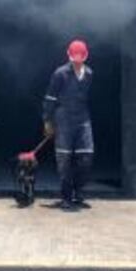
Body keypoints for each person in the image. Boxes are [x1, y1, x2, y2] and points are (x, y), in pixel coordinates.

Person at [42, 39, 94, 210]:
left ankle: (78, 192)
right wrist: (48, 121)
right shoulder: (60, 74)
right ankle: (66, 196)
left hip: (82, 119)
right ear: (70, 57)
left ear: (85, 57)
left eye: (80, 59)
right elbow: (50, 98)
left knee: (85, 156)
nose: (77, 62)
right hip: (63, 118)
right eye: (74, 59)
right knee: (64, 160)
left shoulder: (89, 74)